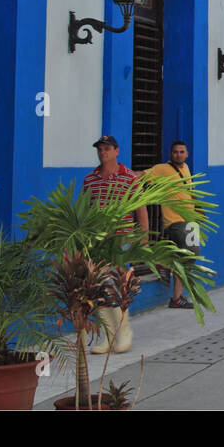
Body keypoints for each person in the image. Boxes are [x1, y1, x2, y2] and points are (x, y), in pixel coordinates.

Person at [83, 135, 147, 354]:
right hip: (97, 240)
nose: (103, 153)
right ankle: (107, 336)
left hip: (122, 238)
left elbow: (140, 208)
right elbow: (84, 210)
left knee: (118, 284)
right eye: (100, 149)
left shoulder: (129, 177)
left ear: (117, 151)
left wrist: (144, 237)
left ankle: (124, 332)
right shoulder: (90, 179)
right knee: (99, 285)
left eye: (107, 148)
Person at [142, 140, 199, 309]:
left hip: (189, 219)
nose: (178, 154)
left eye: (182, 152)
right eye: (175, 152)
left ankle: (167, 268)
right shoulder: (162, 169)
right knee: (191, 252)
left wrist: (198, 212)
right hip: (174, 220)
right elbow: (141, 175)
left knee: (190, 255)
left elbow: (189, 193)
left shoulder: (186, 168)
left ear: (187, 154)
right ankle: (168, 270)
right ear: (170, 153)